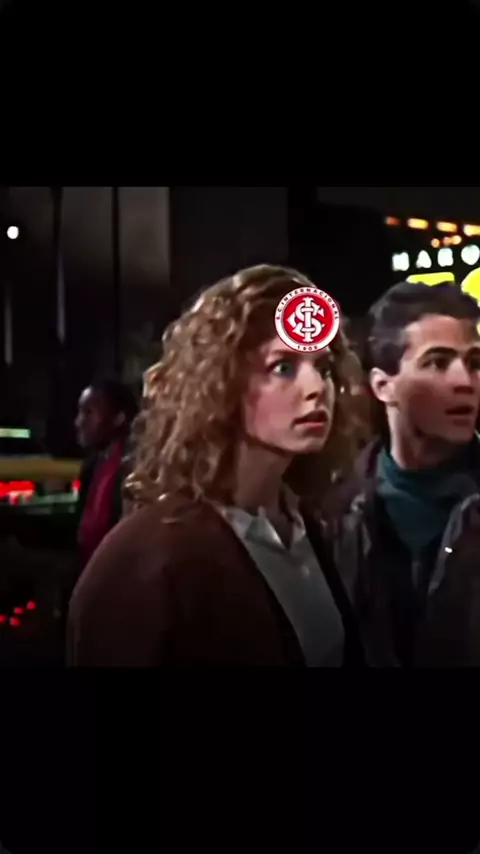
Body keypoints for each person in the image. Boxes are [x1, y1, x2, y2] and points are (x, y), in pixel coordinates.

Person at [67, 264, 365, 667]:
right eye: (283, 367)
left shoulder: (308, 525)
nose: (317, 389)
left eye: (324, 368)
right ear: (221, 383)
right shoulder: (151, 557)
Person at [329, 280, 480, 667]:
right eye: (438, 363)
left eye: (475, 363)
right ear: (384, 386)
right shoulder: (332, 511)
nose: (465, 382)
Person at [75, 379, 138, 567]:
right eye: (80, 412)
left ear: (118, 418)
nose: (78, 422)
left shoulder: (134, 468)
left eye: (88, 412)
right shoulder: (93, 465)